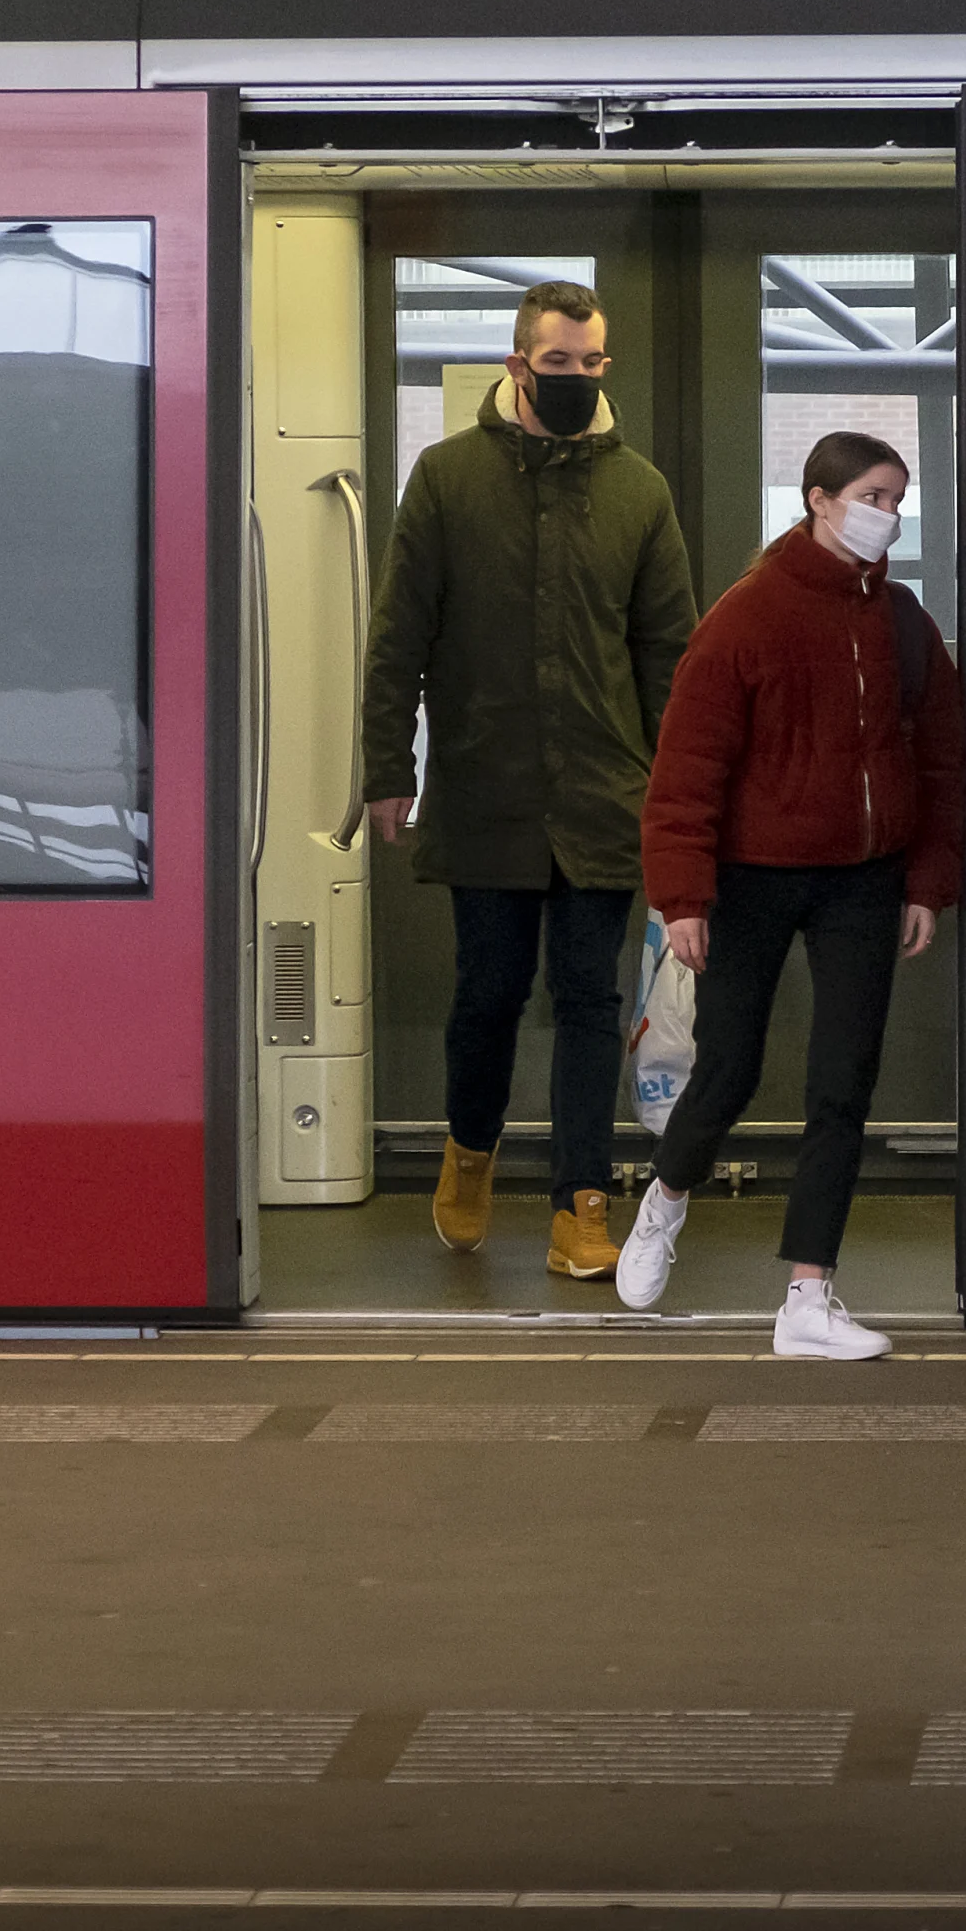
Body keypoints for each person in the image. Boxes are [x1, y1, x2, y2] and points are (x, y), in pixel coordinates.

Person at [363, 280, 697, 1280]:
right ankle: (470, 1150)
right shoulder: (447, 478)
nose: (576, 378)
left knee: (590, 999)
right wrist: (387, 767)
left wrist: (682, 798)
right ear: (518, 364)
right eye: (558, 363)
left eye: (591, 364)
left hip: (604, 793)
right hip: (486, 786)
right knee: (490, 993)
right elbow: (398, 638)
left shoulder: (640, 490)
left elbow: (670, 658)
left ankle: (580, 1205)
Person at [614, 433, 964, 1359]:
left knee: (843, 1084)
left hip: (865, 877)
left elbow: (941, 760)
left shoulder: (902, 621)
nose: (889, 514)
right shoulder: (746, 617)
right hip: (752, 879)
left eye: (898, 498)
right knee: (728, 1069)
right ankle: (667, 1196)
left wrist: (927, 880)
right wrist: (683, 898)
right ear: (818, 498)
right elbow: (686, 770)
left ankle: (809, 1294)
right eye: (873, 496)